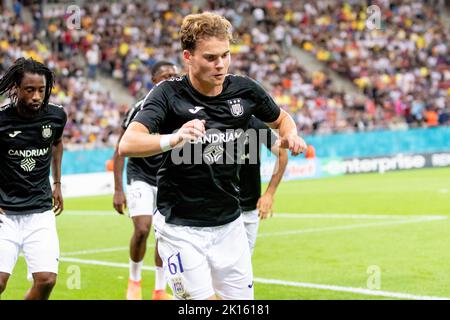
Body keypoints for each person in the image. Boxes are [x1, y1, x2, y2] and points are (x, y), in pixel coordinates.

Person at [119, 12, 307, 300]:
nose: (220, 65)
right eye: (210, 58)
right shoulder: (167, 94)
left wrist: (291, 134)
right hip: (180, 227)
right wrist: (175, 138)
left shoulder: (244, 90)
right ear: (188, 56)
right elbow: (128, 143)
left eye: (225, 55)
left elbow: (282, 119)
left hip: (230, 225)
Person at [0, 57, 67, 300]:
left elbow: (57, 144)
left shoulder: (56, 116)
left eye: (42, 90)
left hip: (40, 211)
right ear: (16, 89)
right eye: (30, 90)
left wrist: (57, 183)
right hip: (5, 213)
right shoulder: (2, 119)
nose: (37, 96)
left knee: (47, 280)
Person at [113, 61, 178, 300]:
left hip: (166, 178)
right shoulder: (141, 108)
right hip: (140, 175)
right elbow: (120, 149)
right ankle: (134, 281)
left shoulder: (180, 108)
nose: (171, 78)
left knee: (164, 235)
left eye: (174, 75)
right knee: (142, 229)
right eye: (165, 75)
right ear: (155, 81)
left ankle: (160, 290)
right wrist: (118, 189)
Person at [240, 116, 288, 255]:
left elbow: (282, 155)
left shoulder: (254, 124)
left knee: (243, 272)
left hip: (249, 209)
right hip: (219, 209)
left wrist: (269, 193)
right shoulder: (212, 121)